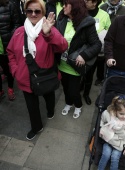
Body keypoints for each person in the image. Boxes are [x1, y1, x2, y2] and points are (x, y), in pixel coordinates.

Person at [7, 0, 68, 140]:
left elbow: (63, 46)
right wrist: (15, 70)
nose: (33, 14)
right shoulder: (19, 32)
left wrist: (48, 34)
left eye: (37, 11)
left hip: (45, 76)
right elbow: (10, 52)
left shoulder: (49, 30)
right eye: (29, 11)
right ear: (25, 12)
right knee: (31, 106)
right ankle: (36, 127)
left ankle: (50, 111)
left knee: (48, 96)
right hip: (25, 79)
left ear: (43, 13)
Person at [56, 0, 101, 118]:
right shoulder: (61, 20)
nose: (63, 6)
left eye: (66, 4)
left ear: (75, 6)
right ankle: (68, 103)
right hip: (61, 63)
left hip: (74, 65)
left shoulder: (87, 23)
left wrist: (84, 55)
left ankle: (78, 105)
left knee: (74, 91)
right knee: (65, 88)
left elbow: (97, 45)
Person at [81, 0, 111, 105]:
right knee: (82, 71)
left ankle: (86, 93)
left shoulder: (104, 15)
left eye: (87, 1)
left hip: (98, 51)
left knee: (90, 73)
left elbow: (109, 31)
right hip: (83, 49)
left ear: (94, 3)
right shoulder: (81, 12)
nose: (84, 2)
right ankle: (81, 85)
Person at [98, 95, 125, 170]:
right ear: (115, 110)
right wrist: (102, 129)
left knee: (115, 157)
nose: (124, 116)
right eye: (121, 114)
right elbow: (102, 120)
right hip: (108, 139)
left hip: (120, 142)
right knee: (106, 154)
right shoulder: (108, 114)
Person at [0, 0, 20, 102]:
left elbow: (17, 24)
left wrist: (10, 38)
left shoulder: (10, 5)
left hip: (6, 43)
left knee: (8, 68)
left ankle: (10, 88)